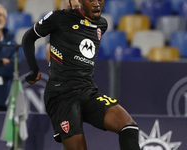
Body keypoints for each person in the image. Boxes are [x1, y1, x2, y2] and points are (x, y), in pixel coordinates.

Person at [22, 0, 141, 149]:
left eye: (100, 0)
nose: (97, 4)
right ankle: (64, 122)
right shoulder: (58, 18)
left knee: (128, 127)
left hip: (87, 91)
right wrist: (34, 70)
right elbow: (28, 37)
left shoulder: (102, 25)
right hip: (61, 95)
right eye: (91, 0)